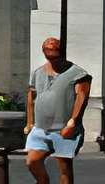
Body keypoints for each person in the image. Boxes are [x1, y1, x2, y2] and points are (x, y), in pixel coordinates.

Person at [26, 36, 92, 184]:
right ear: (43, 51)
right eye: (47, 47)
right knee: (32, 161)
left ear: (60, 50)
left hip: (64, 128)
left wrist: (73, 122)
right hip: (40, 128)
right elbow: (31, 96)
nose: (50, 47)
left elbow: (82, 97)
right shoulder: (37, 72)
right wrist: (29, 123)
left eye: (53, 46)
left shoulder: (78, 73)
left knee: (64, 168)